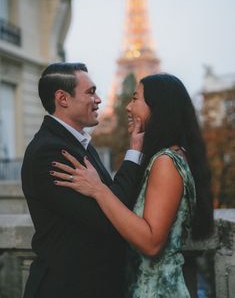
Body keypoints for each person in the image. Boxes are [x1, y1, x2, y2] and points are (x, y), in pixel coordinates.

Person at [52, 73, 214, 298]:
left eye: (135, 99)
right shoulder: (172, 156)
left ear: (158, 107)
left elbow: (151, 243)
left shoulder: (165, 162)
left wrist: (98, 190)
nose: (128, 107)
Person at [21, 62, 144, 298]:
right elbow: (110, 217)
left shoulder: (72, 143)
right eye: (90, 92)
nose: (98, 99)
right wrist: (134, 152)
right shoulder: (51, 152)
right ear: (62, 98)